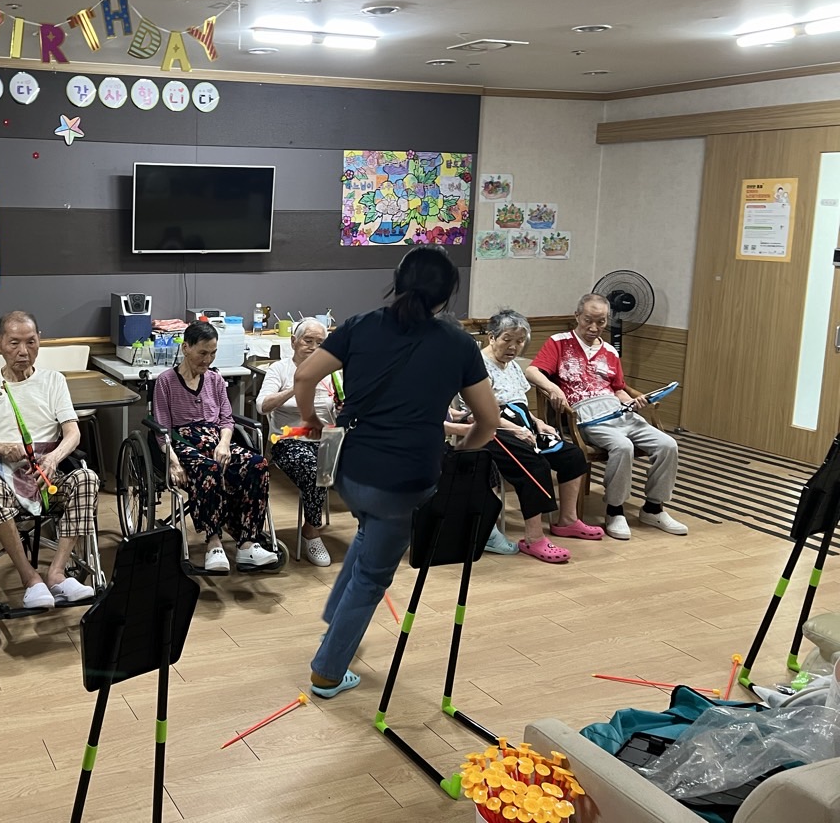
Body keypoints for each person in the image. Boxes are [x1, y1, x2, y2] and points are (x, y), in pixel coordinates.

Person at [293, 248, 499, 698]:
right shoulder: (458, 344)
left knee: (368, 534)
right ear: (446, 295)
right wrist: (464, 450)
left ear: (398, 280)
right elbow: (488, 420)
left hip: (350, 472)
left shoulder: (361, 325)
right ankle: (327, 672)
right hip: (405, 481)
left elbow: (305, 376)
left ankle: (336, 621)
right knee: (372, 576)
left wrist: (310, 420)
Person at [0, 312, 99, 610]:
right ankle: (30, 578)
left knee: (87, 478)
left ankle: (57, 573)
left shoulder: (54, 381)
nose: (23, 351)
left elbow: (72, 432)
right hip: (2, 475)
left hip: (47, 476)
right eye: (14, 343)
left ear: (39, 340)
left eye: (31, 342)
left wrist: (54, 458)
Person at [443, 309, 601, 565]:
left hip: (523, 424)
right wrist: (515, 429)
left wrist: (538, 423)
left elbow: (521, 405)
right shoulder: (476, 365)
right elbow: (480, 412)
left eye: (519, 341)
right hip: (491, 429)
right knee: (534, 465)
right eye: (507, 339)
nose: (513, 347)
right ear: (492, 337)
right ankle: (534, 537)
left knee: (572, 455)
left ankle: (567, 520)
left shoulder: (514, 366)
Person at [524, 293, 686, 541]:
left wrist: (631, 401)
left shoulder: (610, 350)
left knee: (668, 444)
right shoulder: (559, 342)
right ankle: (615, 509)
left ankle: (653, 508)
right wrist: (554, 388)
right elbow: (532, 371)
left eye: (600, 322)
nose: (593, 327)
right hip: (587, 415)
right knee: (622, 446)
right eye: (588, 320)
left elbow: (618, 388)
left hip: (619, 411)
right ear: (577, 316)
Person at [153, 321, 279, 573]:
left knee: (257, 464)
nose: (208, 359)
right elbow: (162, 429)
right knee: (208, 469)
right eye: (202, 353)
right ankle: (213, 542)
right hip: (183, 442)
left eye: (212, 353)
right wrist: (173, 463)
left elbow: (226, 420)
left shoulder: (215, 380)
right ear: (186, 348)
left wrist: (224, 444)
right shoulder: (166, 381)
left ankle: (247, 543)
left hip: (216, 439)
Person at [255, 318, 341, 566]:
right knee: (316, 471)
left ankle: (368, 531)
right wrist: (297, 386)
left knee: (366, 463)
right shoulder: (280, 369)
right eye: (308, 341)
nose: (313, 347)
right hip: (289, 440)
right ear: (294, 342)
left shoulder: (333, 372)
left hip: (328, 438)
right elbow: (262, 406)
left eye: (320, 343)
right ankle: (311, 532)